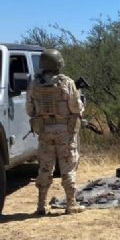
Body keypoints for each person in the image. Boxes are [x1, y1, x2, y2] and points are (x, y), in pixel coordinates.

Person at [26, 48, 85, 215]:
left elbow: (30, 110)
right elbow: (75, 107)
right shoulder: (66, 82)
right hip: (64, 131)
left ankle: (41, 205)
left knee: (45, 167)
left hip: (44, 131)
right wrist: (81, 102)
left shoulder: (34, 83)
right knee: (68, 165)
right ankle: (71, 203)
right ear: (58, 63)